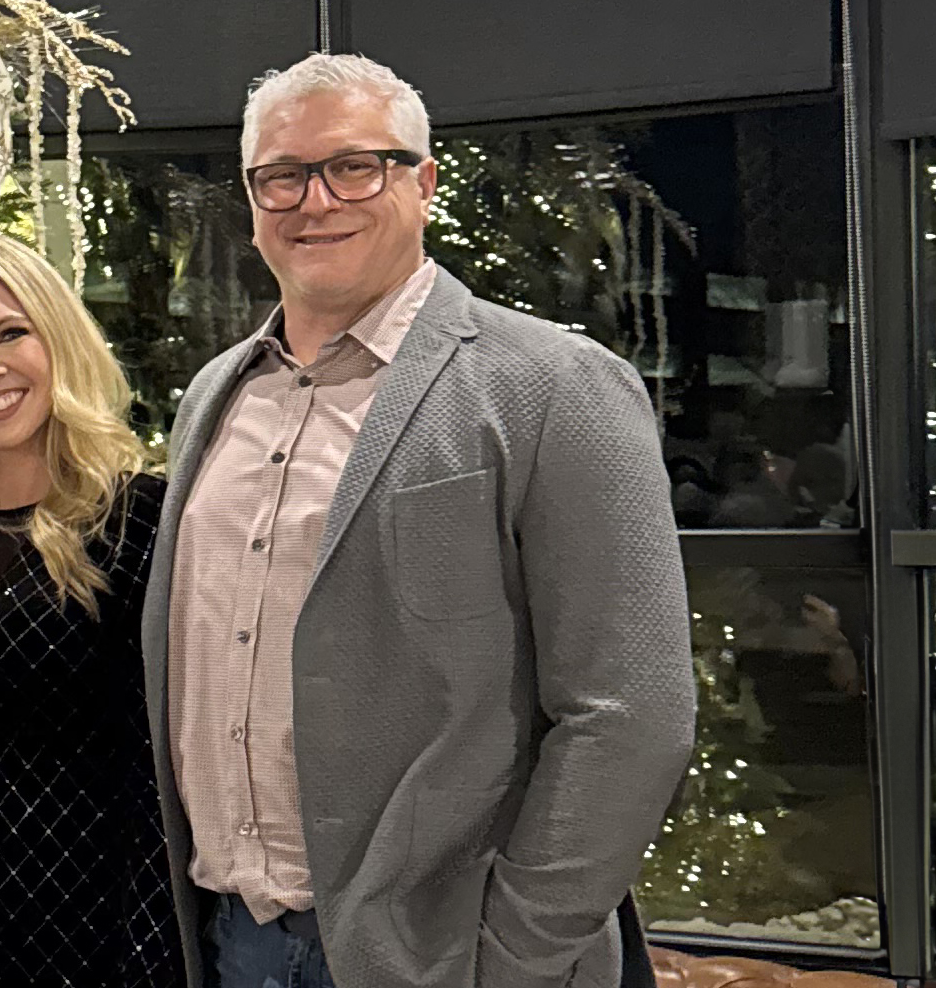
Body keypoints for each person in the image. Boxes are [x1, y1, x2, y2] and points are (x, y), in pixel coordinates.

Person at [143, 54, 696, 988]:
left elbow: (631, 715)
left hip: (447, 955)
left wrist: (516, 955)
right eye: (280, 176)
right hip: (234, 940)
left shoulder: (551, 385)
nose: (314, 200)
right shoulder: (213, 397)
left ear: (424, 182)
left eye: (355, 165)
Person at [0, 231, 178, 987]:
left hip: (103, 938)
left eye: (9, 333)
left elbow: (162, 777)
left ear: (57, 337)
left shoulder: (143, 523)